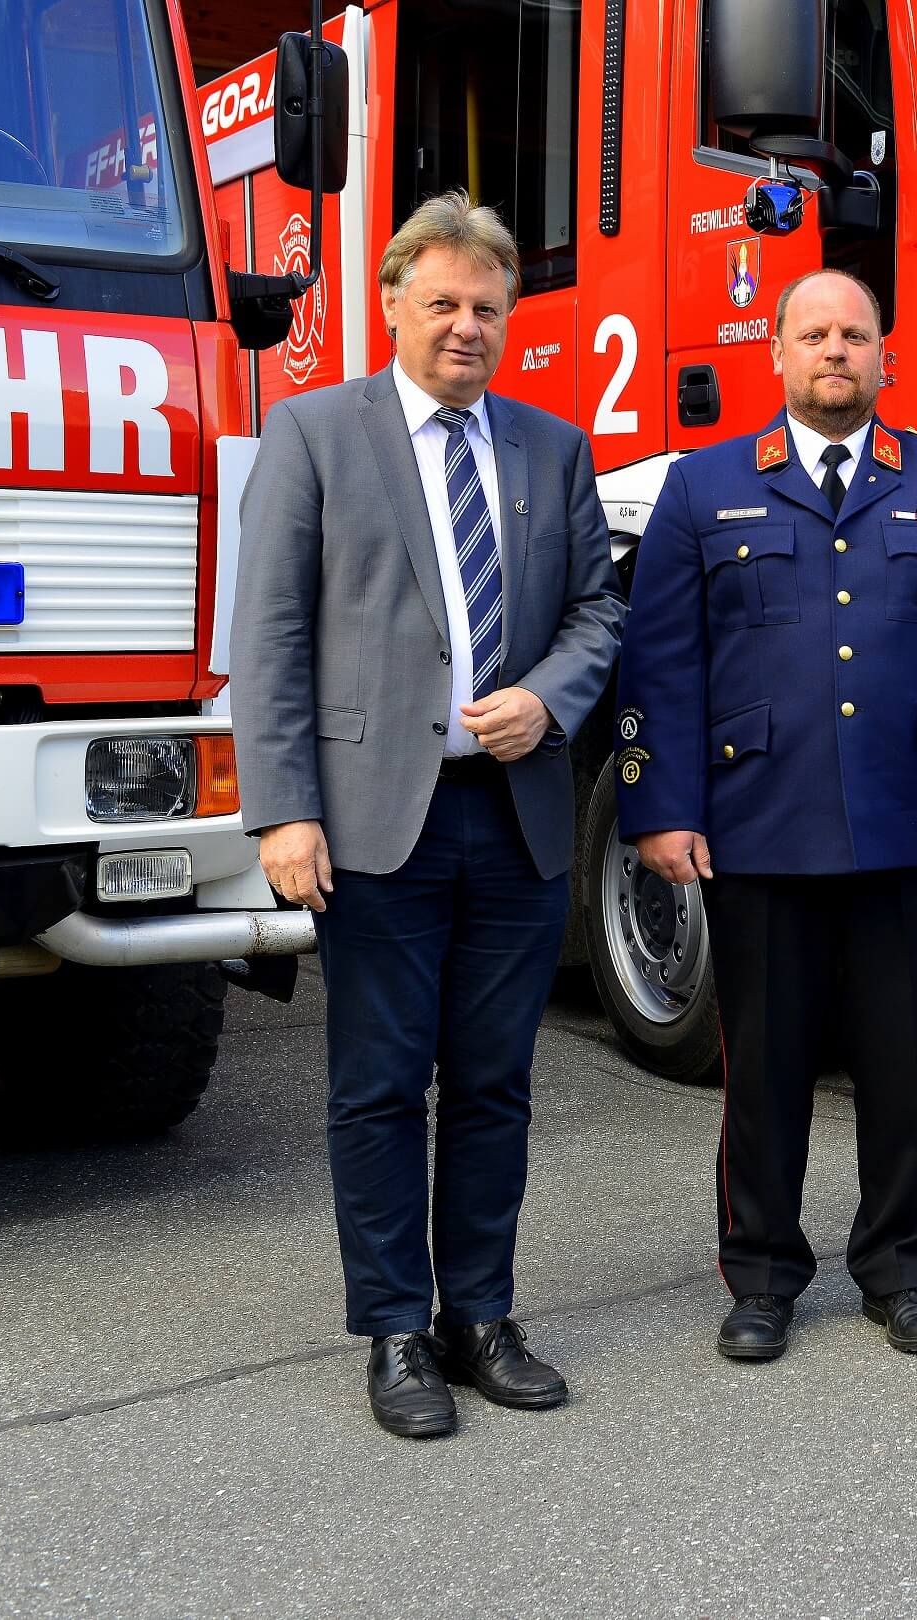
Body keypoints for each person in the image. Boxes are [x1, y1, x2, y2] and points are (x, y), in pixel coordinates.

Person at [233, 192, 622, 1437]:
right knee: (378, 1087)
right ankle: (396, 1329)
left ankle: (481, 1317)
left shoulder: (553, 451)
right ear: (392, 303)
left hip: (511, 818)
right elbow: (273, 635)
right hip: (370, 823)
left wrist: (548, 703)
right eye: (443, 303)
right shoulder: (310, 436)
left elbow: (598, 615)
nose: (466, 326)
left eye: (487, 308)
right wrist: (283, 813)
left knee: (497, 1085)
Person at [615, 269, 917, 1362]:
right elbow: (658, 664)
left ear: (882, 357)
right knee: (761, 1067)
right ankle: (760, 1276)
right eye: (813, 334)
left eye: (854, 334)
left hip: (903, 824)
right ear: (775, 352)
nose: (835, 351)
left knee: (904, 1065)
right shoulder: (702, 488)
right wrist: (657, 809)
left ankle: (902, 1273)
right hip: (758, 825)